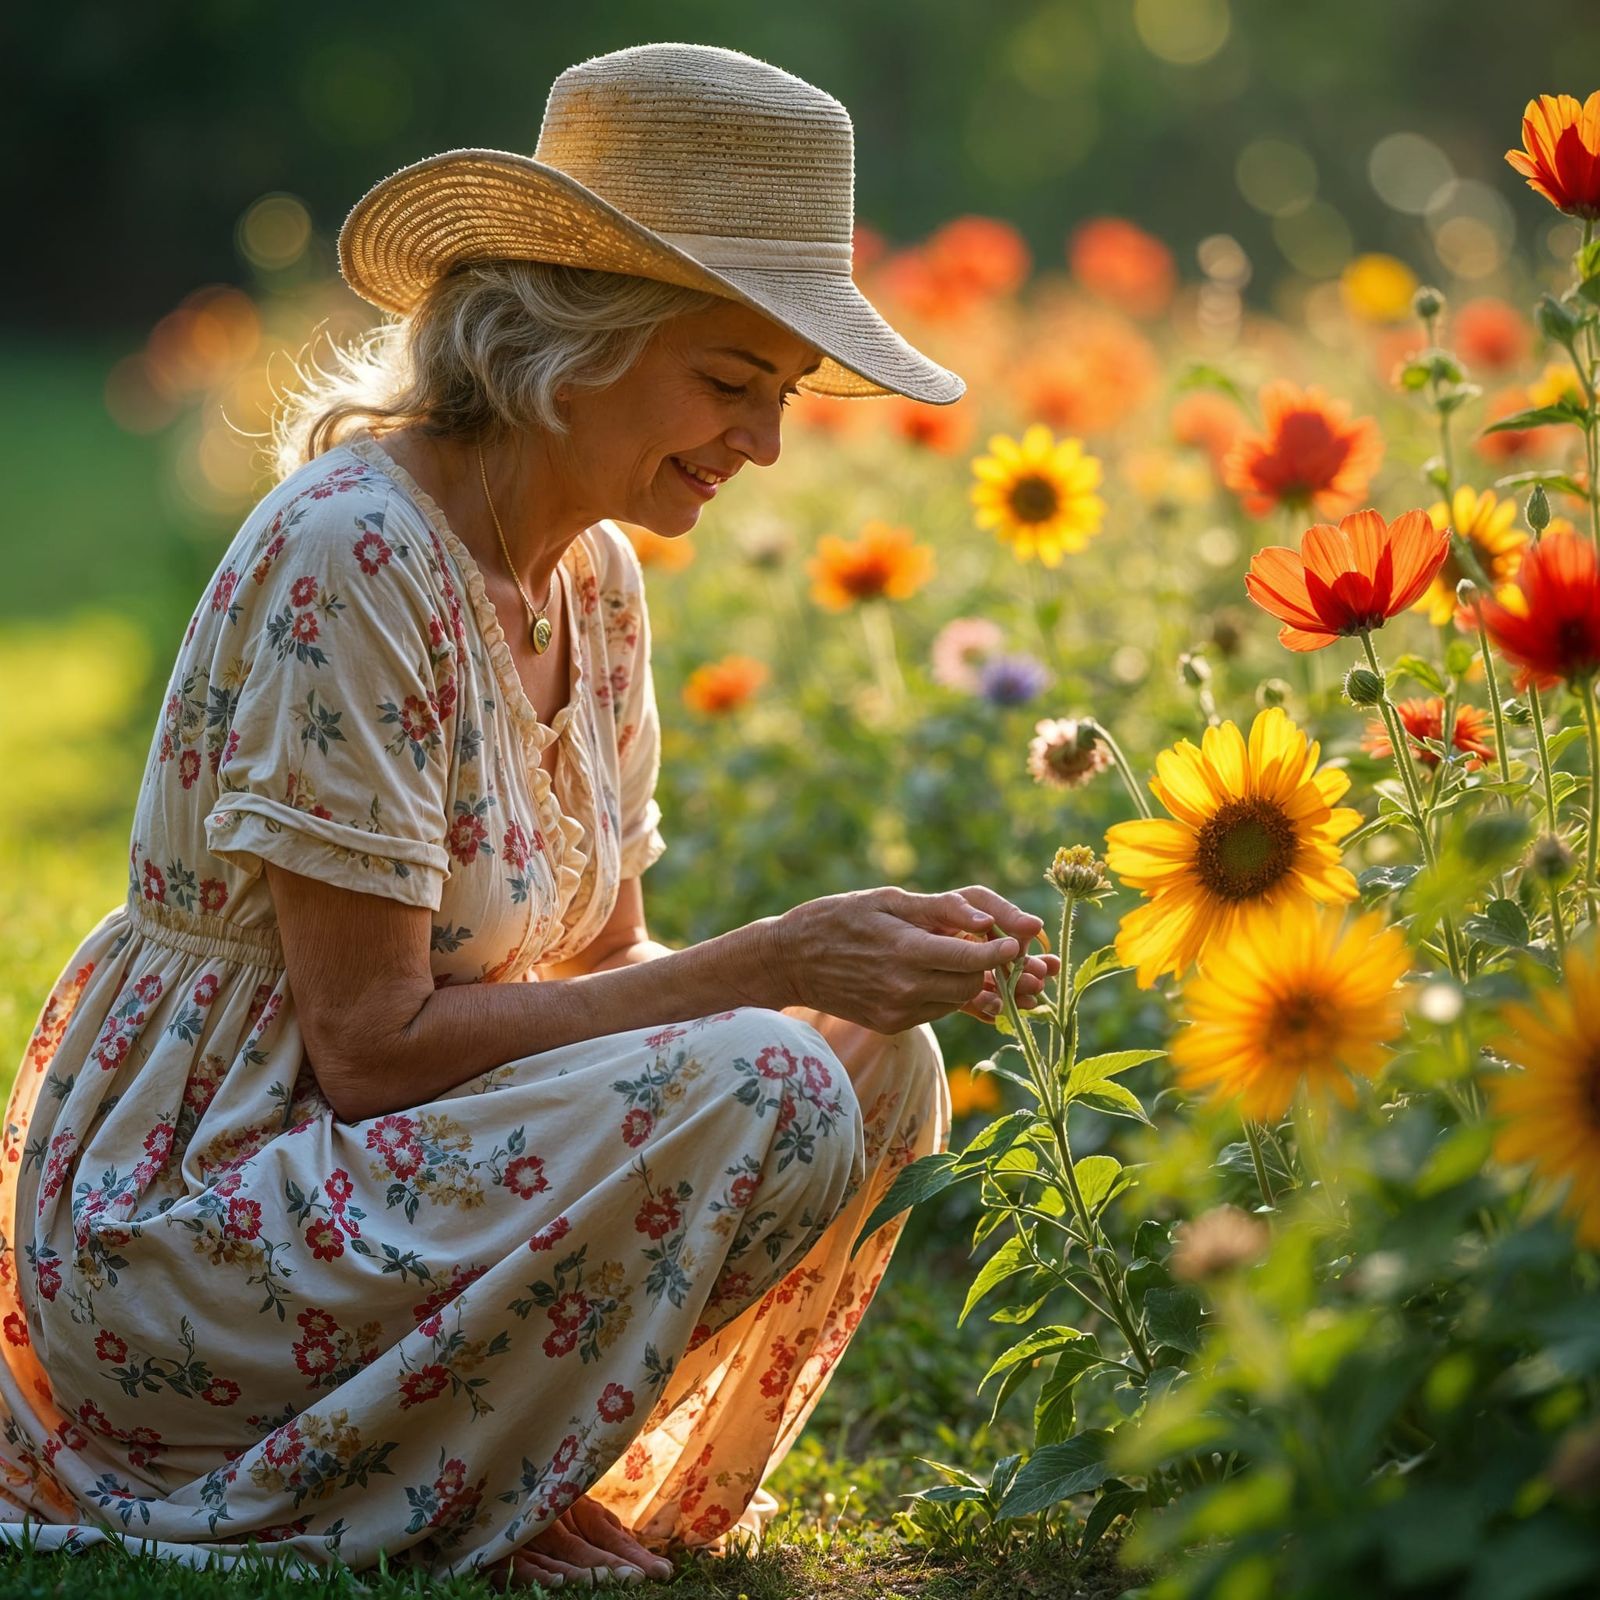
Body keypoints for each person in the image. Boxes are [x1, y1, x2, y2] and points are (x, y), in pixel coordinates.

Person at [0, 43, 1055, 1586]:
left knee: (871, 1068)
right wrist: (775, 959)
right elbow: (365, 1051)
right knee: (776, 1071)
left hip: (388, 1184)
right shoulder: (355, 556)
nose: (765, 445)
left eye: (783, 392)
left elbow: (602, 974)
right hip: (201, 1217)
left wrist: (852, 974)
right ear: (568, 336)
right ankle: (471, 1494)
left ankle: (509, 1467)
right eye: (729, 381)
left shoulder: (596, 579)